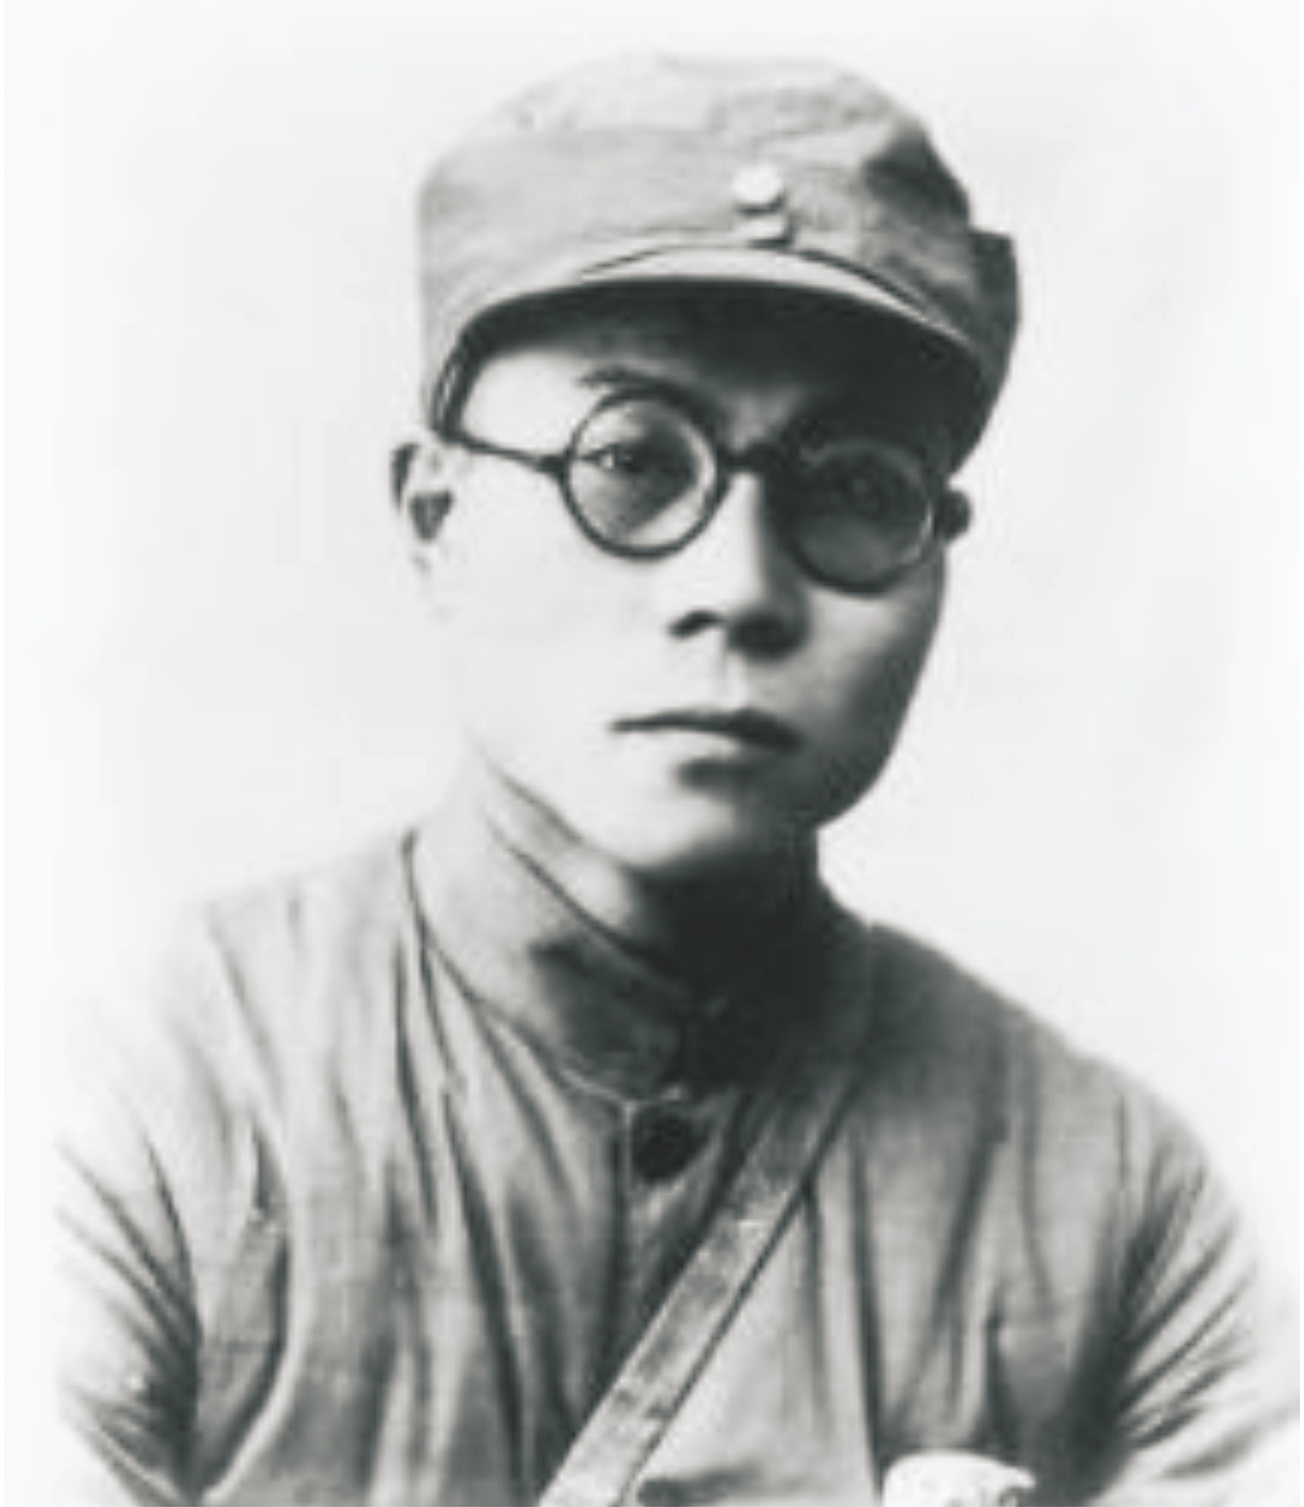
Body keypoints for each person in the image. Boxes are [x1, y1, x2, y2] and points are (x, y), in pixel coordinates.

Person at [56, 52, 1294, 1507]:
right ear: (436, 518)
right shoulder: (134, 1097)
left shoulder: (1120, 1212)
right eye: (632, 462)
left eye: (857, 487)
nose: (740, 588)